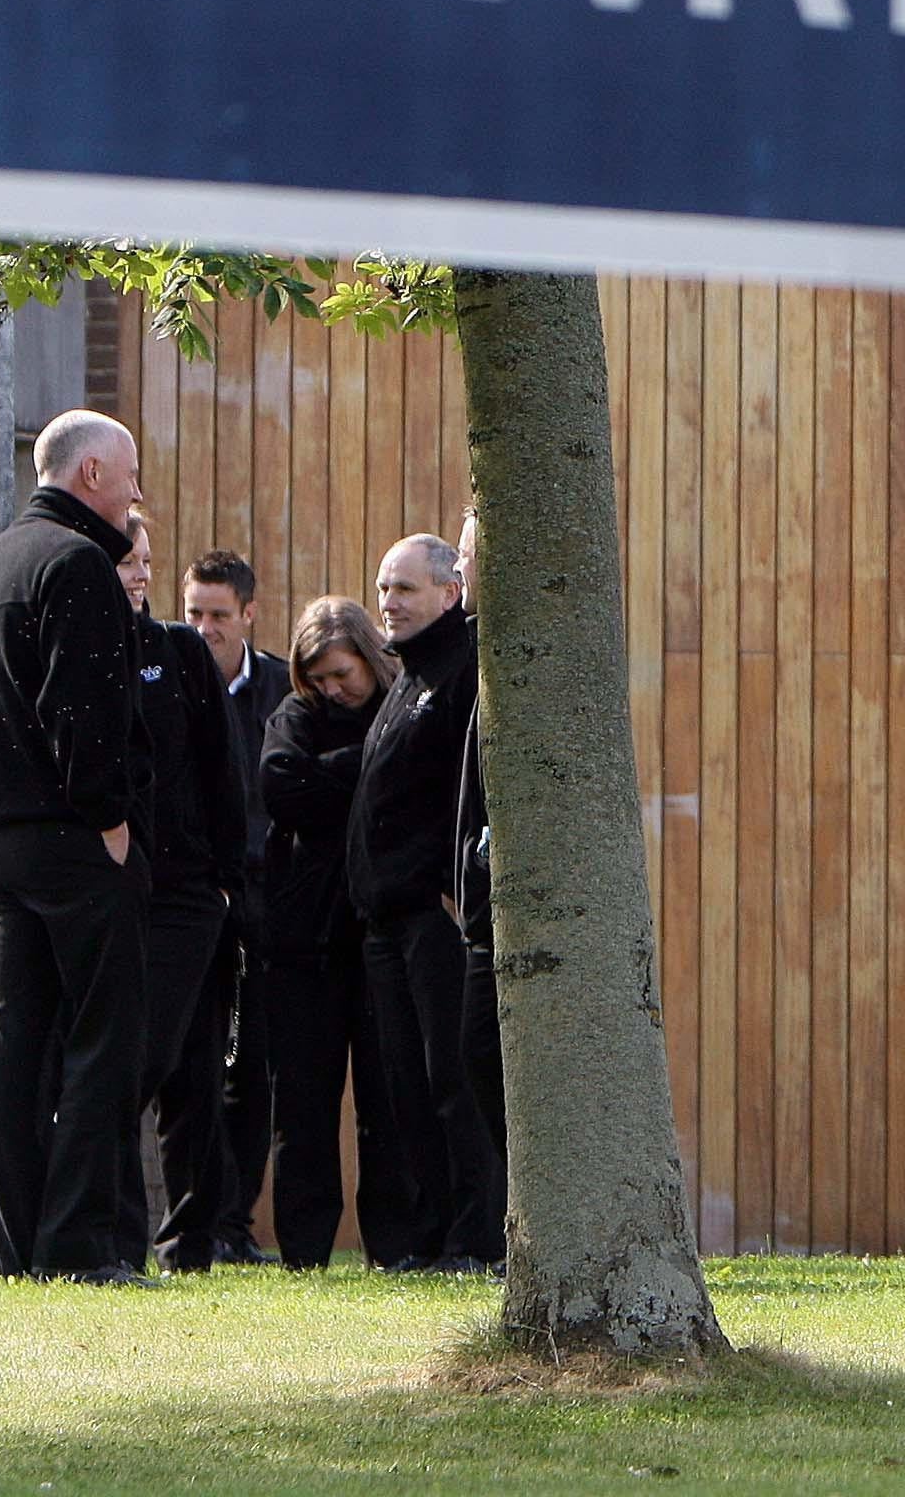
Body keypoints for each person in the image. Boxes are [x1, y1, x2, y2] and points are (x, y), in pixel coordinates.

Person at [0, 410, 153, 1282]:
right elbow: (82, 712)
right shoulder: (79, 565)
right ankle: (83, 1247)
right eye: (128, 475)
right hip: (78, 845)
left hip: (1, 846)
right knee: (99, 1042)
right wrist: (111, 822)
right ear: (90, 473)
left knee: (17, 1046)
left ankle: (14, 1242)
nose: (135, 493)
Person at [258, 596, 430, 1270]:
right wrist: (365, 770)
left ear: (368, 659)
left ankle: (396, 1243)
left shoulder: (399, 707)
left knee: (387, 1103)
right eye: (321, 677)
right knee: (302, 1102)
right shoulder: (296, 716)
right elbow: (279, 785)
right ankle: (304, 1249)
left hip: (377, 931)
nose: (332, 689)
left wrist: (331, 778)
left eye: (341, 674)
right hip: (305, 940)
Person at [349, 532, 503, 1271]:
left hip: (435, 919)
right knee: (408, 1087)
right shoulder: (407, 676)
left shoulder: (468, 668)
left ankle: (476, 1238)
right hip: (387, 921)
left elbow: (468, 790)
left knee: (454, 1084)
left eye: (404, 589)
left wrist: (452, 888)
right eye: (383, 588)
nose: (388, 602)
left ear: (450, 592)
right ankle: (436, 1234)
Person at [116, 515, 248, 1273]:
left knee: (195, 1069)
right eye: (129, 561)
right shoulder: (88, 653)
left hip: (191, 896)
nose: (140, 574)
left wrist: (228, 886)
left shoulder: (179, 653)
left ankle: (189, 1244)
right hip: (121, 896)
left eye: (147, 562)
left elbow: (223, 772)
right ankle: (111, 1228)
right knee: (142, 1059)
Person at [183, 549, 288, 1264]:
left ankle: (234, 1222)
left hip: (262, 905)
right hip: (189, 900)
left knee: (252, 1070)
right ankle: (194, 1221)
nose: (204, 627)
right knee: (189, 1065)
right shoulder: (165, 677)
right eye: (194, 612)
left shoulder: (283, 689)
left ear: (248, 614)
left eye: (219, 615)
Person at [445, 508, 505, 1158]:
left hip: (500, 910)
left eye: (467, 556)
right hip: (481, 910)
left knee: (484, 1054)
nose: (459, 569)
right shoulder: (476, 653)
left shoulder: (516, 669)